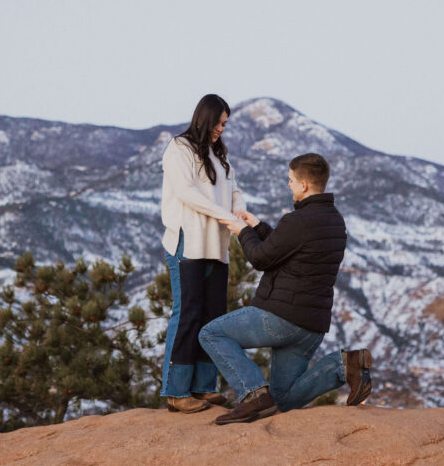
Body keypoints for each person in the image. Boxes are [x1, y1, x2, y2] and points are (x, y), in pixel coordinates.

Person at [200, 152, 373, 425]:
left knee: (211, 334)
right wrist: (257, 226)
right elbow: (289, 250)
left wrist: (241, 231)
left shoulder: (299, 220)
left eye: (291, 180)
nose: (289, 185)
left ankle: (253, 395)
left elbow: (260, 258)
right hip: (311, 326)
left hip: (281, 319)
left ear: (304, 184)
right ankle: (344, 366)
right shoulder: (334, 221)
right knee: (281, 401)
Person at [159, 94, 246, 413]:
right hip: (188, 241)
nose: (222, 129)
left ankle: (203, 386)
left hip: (216, 245)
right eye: (219, 122)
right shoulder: (178, 149)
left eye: (225, 124)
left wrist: (239, 210)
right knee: (188, 313)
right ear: (205, 117)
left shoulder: (218, 153)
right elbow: (186, 193)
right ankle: (176, 390)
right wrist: (226, 216)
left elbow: (234, 189)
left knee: (213, 316)